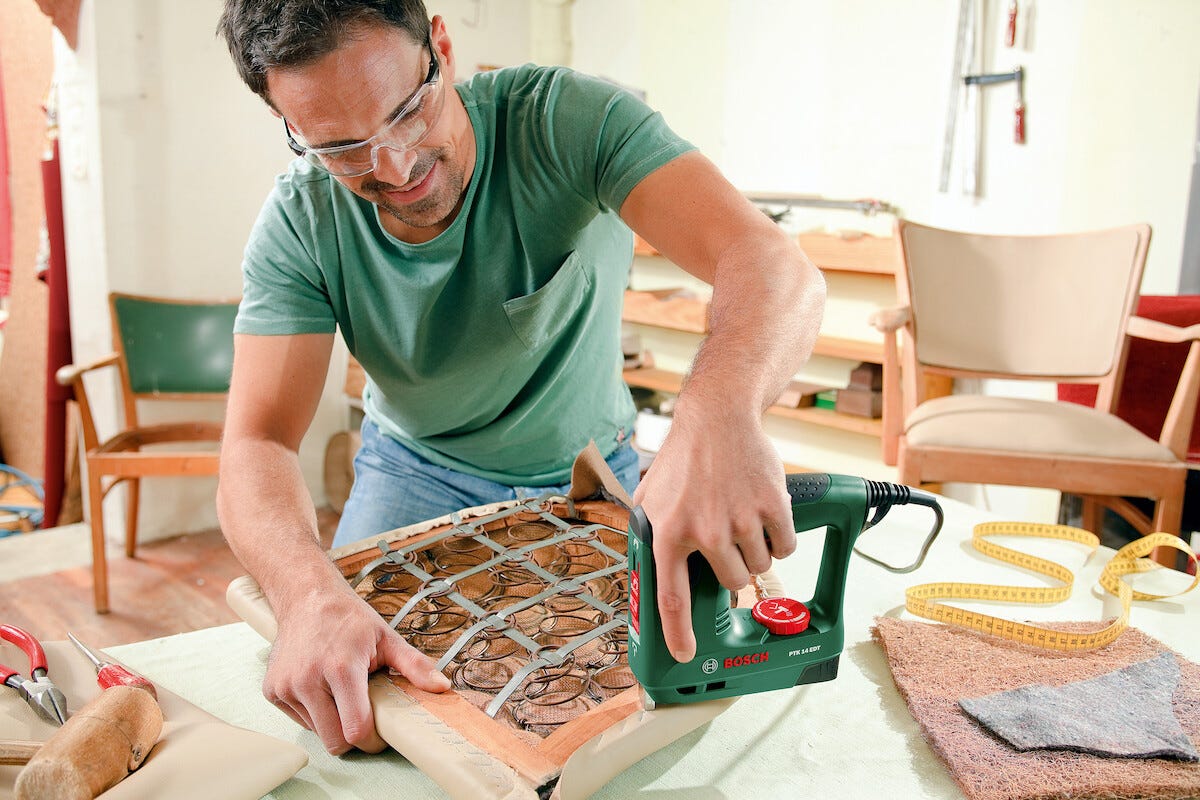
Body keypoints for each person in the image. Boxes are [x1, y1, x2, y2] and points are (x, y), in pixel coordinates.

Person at [215, 0, 825, 756]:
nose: (395, 168)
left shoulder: (567, 121)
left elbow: (772, 264)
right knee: (365, 709)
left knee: (644, 701)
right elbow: (258, 441)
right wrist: (306, 595)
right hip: (411, 470)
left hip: (591, 470)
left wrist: (718, 415)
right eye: (342, 149)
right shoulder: (299, 223)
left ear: (440, 47)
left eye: (407, 111)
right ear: (290, 124)